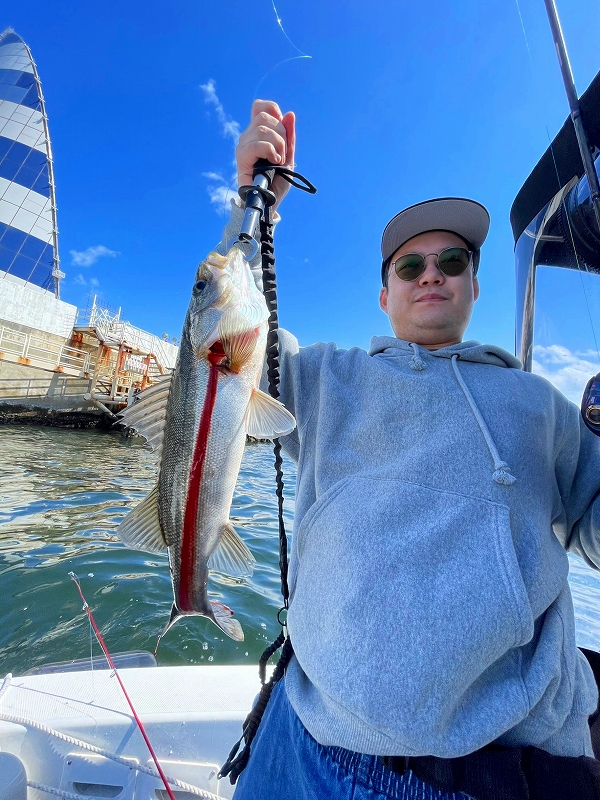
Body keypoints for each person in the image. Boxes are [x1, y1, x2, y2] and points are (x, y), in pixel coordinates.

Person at [216, 101, 600, 800]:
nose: (431, 274)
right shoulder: (320, 378)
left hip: (475, 773)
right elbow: (221, 338)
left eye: (452, 261)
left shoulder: (541, 407)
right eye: (410, 265)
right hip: (297, 733)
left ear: (474, 286)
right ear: (384, 295)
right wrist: (253, 206)